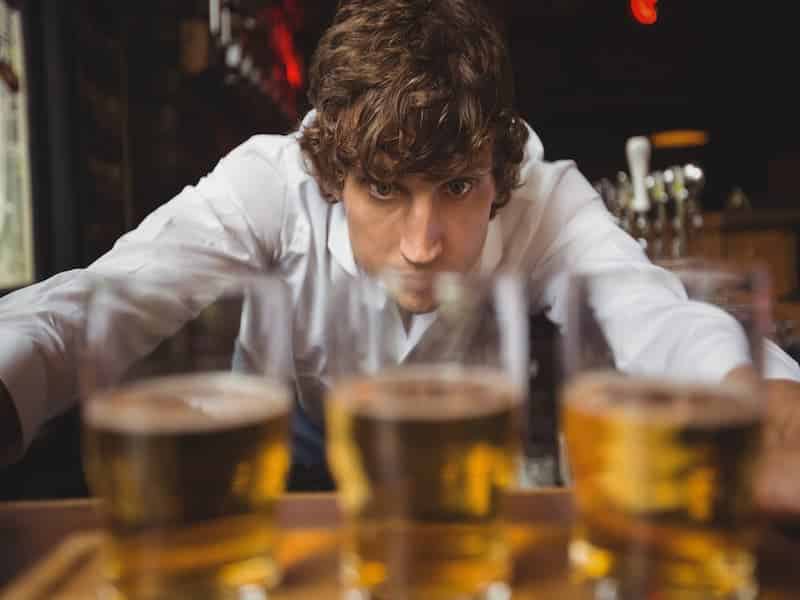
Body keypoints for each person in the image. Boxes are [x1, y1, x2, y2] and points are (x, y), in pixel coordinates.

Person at [1, 0, 798, 494]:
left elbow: (653, 310)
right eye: (385, 191)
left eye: (456, 188)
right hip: (288, 472)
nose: (423, 245)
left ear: (497, 173)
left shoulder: (543, 196)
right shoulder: (269, 182)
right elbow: (94, 304)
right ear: (332, 175)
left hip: (463, 470)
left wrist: (756, 398)